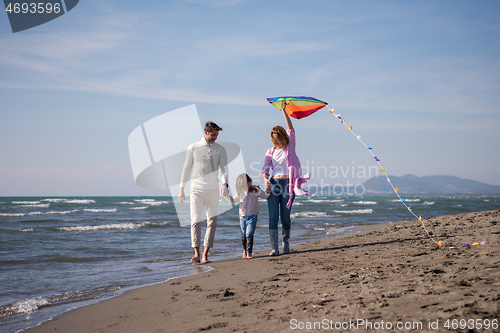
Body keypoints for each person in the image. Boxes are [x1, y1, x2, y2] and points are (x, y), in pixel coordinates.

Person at [262, 101, 311, 256]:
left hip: (288, 185)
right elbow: (265, 170)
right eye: (273, 139)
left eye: (277, 139)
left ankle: (286, 243)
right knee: (273, 216)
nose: (275, 142)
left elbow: (291, 129)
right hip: (274, 184)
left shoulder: (290, 146)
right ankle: (274, 248)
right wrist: (265, 180)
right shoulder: (270, 151)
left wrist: (284, 111)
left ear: (282, 137)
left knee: (285, 216)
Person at [178, 121, 228, 264]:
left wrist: (225, 184)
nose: (215, 138)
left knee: (212, 221)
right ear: (205, 132)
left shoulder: (220, 149)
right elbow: (186, 168)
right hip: (196, 189)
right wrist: (182, 187)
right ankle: (196, 253)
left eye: (217, 135)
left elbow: (224, 169)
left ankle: (205, 254)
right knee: (195, 220)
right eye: (213, 135)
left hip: (213, 189)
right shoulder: (193, 147)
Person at [224, 173, 270, 259]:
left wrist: (268, 189)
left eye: (248, 183)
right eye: (244, 185)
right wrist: (226, 195)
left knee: (249, 234)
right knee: (243, 235)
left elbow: (266, 195)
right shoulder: (240, 193)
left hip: (253, 216)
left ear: (250, 182)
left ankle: (249, 253)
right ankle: (244, 251)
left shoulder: (255, 190)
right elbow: (233, 200)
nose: (247, 186)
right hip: (242, 217)